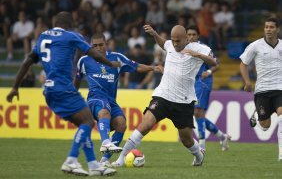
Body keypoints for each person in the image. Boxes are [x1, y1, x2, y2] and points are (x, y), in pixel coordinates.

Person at [6, 11, 119, 176]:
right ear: (71, 23)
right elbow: (92, 52)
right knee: (88, 121)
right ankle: (71, 160)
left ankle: (93, 165)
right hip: (63, 88)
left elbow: (28, 61)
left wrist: (15, 87)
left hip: (49, 90)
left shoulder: (43, 37)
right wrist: (109, 63)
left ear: (54, 22)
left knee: (84, 123)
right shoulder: (71, 36)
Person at [111, 24, 216, 167]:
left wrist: (198, 55)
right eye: (173, 40)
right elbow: (163, 43)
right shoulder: (171, 45)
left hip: (183, 101)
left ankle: (198, 155)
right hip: (163, 96)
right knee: (145, 124)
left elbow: (213, 62)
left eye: (178, 41)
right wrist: (154, 34)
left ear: (186, 38)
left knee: (186, 140)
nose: (175, 44)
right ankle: (121, 159)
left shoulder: (199, 48)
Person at [74, 33, 163, 166]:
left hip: (111, 100)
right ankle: (105, 142)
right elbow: (77, 80)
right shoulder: (84, 61)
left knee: (121, 124)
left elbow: (136, 66)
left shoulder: (116, 58)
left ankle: (104, 161)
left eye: (101, 45)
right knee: (104, 112)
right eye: (95, 46)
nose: (98, 48)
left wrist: (153, 67)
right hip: (95, 98)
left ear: (106, 44)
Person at [240, 17, 282, 161]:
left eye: (271, 27)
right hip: (262, 90)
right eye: (266, 27)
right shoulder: (255, 46)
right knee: (265, 125)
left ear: (277, 29)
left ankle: (281, 153)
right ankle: (259, 114)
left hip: (279, 88)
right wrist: (247, 82)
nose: (268, 29)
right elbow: (243, 63)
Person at [187, 25, 231, 151]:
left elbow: (216, 64)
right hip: (191, 82)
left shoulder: (204, 49)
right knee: (198, 115)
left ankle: (201, 146)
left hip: (203, 81)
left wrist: (209, 72)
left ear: (198, 36)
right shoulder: (184, 49)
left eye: (193, 35)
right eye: (188, 35)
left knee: (197, 112)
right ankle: (222, 136)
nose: (191, 37)